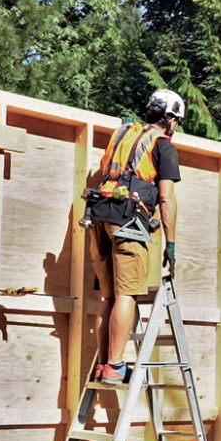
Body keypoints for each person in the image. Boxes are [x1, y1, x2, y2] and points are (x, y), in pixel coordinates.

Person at [86, 89, 184, 384]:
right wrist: (171, 243)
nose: (177, 127)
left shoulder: (123, 133)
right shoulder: (163, 145)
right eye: (177, 120)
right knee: (126, 295)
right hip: (128, 221)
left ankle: (105, 364)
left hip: (98, 216)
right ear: (168, 119)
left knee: (109, 296)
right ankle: (115, 365)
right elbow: (166, 199)